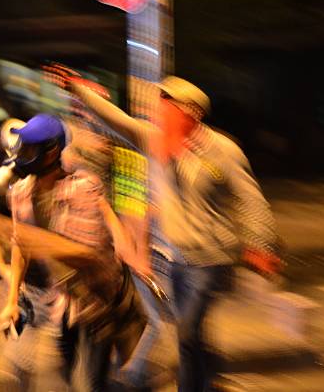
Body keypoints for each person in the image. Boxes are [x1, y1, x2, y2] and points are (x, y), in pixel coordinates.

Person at [59, 73, 281, 392]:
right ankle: (210, 378)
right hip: (176, 259)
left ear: (191, 112)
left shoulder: (224, 150)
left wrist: (261, 243)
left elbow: (250, 199)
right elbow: (115, 119)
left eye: (166, 107)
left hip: (211, 260)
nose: (157, 114)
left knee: (187, 333)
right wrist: (78, 88)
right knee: (192, 335)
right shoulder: (155, 140)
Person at [0, 113, 146, 392]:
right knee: (67, 378)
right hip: (60, 304)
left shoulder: (83, 188)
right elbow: (21, 248)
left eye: (28, 150)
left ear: (51, 152)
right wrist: (12, 299)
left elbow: (83, 254)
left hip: (97, 305)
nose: (21, 158)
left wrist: (16, 233)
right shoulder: (20, 194)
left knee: (87, 385)